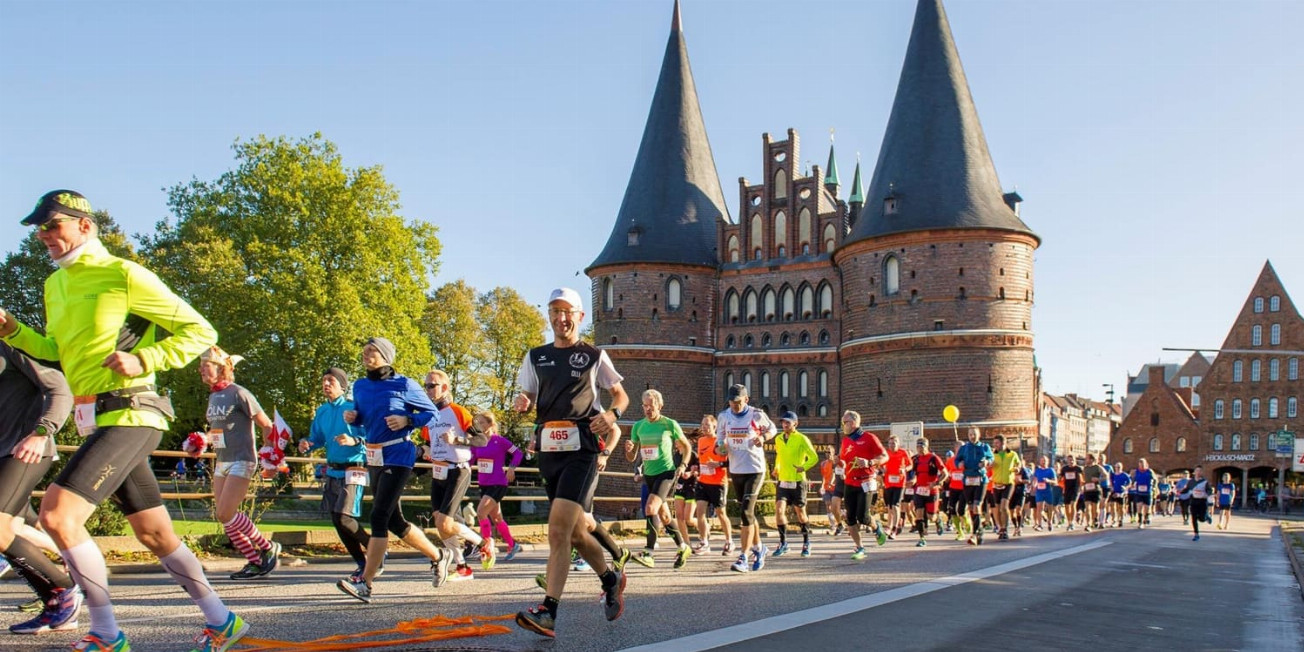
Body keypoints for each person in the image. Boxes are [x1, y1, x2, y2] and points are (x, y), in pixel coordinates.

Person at [0, 189, 246, 651]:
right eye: (40, 228)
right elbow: (59, 353)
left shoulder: (124, 274)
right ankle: (222, 620)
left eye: (53, 225)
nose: (44, 235)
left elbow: (201, 331)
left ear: (85, 226)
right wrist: (13, 330)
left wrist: (146, 358)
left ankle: (107, 633)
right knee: (154, 532)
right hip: (95, 417)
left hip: (133, 410)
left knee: (58, 515)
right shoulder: (55, 285)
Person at [513, 288, 629, 638]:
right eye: (554, 311)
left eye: (567, 312)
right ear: (549, 316)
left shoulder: (593, 355)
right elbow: (529, 395)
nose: (561, 318)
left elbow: (620, 394)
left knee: (558, 530)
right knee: (577, 533)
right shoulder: (536, 356)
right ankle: (611, 578)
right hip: (549, 449)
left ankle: (548, 611)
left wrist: (611, 414)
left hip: (582, 449)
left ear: (579, 317)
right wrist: (522, 400)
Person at [335, 338, 449, 602]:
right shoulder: (360, 386)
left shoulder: (404, 384)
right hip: (374, 455)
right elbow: (366, 419)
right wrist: (355, 418)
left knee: (378, 517)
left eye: (372, 350)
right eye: (364, 351)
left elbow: (432, 413)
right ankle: (439, 556)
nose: (366, 354)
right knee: (395, 521)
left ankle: (366, 582)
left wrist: (407, 419)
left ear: (386, 356)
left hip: (398, 454)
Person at [1, 341, 83, 636]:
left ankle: (65, 590)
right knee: (13, 530)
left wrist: (42, 431)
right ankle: (56, 602)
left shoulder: (11, 344)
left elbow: (59, 388)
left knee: (1, 528)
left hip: (25, 449)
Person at [199, 346, 282, 580]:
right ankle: (254, 562)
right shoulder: (214, 396)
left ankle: (267, 547)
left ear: (221, 368)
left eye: (205, 366)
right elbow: (217, 431)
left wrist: (270, 455)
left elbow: (266, 424)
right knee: (223, 515)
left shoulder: (239, 393)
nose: (200, 370)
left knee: (226, 513)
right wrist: (202, 440)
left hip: (242, 459)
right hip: (222, 460)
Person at [417, 369, 495, 583]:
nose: (428, 389)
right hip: (439, 471)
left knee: (445, 521)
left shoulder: (458, 411)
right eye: (426, 386)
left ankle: (483, 543)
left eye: (432, 385)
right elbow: (427, 444)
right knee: (439, 521)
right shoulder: (429, 416)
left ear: (445, 387)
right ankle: (462, 567)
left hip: (458, 470)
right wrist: (423, 451)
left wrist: (458, 441)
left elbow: (482, 441)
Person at [299, 368, 371, 581]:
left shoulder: (354, 408)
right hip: (332, 469)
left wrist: (354, 441)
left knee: (343, 516)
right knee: (335, 519)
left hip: (354, 468)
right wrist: (308, 443)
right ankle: (362, 563)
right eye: (324, 380)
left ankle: (375, 549)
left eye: (331, 380)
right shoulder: (322, 411)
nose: (326, 384)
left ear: (342, 385)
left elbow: (374, 434)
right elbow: (317, 438)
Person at [624, 389, 692, 569]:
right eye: (645, 406)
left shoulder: (669, 424)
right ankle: (683, 547)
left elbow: (687, 446)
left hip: (666, 473)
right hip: (649, 474)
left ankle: (649, 553)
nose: (648, 409)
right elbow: (632, 458)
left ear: (659, 406)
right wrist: (629, 449)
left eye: (651, 406)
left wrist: (683, 465)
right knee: (664, 515)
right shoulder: (638, 426)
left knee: (650, 508)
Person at [716, 384, 778, 572]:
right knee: (748, 512)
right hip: (736, 469)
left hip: (755, 469)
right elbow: (720, 439)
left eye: (738, 402)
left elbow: (773, 428)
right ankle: (760, 548)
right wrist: (721, 447)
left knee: (745, 511)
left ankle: (743, 557)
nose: (734, 405)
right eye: (731, 402)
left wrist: (764, 437)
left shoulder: (756, 414)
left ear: (746, 400)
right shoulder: (724, 417)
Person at [469, 411, 524, 563]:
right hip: (484, 484)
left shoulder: (499, 441)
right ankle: (513, 545)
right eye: (477, 423)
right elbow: (471, 460)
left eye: (482, 423)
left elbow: (518, 454)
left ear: (490, 424)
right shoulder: (477, 442)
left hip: (498, 483)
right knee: (497, 518)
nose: (478, 426)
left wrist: (511, 468)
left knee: (481, 513)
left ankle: (487, 547)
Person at [838, 411, 889, 560]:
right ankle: (859, 547)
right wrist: (838, 463)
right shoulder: (846, 441)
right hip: (850, 482)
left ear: (853, 423)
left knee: (863, 516)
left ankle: (876, 526)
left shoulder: (869, 438)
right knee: (850, 518)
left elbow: (884, 456)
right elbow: (844, 460)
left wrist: (870, 462)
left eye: (844, 423)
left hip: (866, 481)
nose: (843, 426)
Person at [772, 412, 819, 557]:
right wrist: (776, 468)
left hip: (798, 481)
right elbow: (779, 456)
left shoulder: (802, 439)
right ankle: (783, 543)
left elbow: (814, 457)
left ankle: (806, 542)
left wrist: (803, 467)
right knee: (779, 511)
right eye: (783, 422)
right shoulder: (778, 439)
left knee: (801, 513)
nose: (785, 425)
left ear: (795, 424)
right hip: (783, 481)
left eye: (788, 422)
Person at [692, 415, 732, 555]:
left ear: (715, 427)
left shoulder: (721, 442)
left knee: (721, 513)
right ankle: (704, 542)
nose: (704, 427)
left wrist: (718, 464)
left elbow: (731, 463)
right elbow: (701, 459)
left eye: (707, 425)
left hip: (718, 483)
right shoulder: (701, 440)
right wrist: (695, 467)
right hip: (703, 481)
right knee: (700, 511)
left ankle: (729, 541)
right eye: (703, 424)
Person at [955, 427, 994, 545]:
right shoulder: (964, 448)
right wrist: (959, 464)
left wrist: (987, 462)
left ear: (979, 435)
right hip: (968, 479)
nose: (972, 436)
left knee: (977, 506)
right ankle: (979, 530)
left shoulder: (984, 447)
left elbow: (991, 458)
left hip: (980, 479)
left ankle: (974, 533)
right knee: (971, 508)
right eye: (970, 434)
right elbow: (957, 460)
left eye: (974, 434)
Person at [909, 438, 946, 547]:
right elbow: (913, 474)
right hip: (919, 491)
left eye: (922, 447)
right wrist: (911, 481)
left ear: (927, 446)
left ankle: (938, 520)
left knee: (931, 517)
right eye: (918, 447)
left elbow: (945, 473)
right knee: (919, 515)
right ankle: (922, 538)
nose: (920, 449)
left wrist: (937, 482)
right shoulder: (915, 459)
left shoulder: (934, 458)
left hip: (932, 491)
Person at [988, 435, 1021, 540]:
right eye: (994, 443)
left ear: (1003, 443)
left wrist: (1016, 469)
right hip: (996, 483)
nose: (995, 445)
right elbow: (986, 466)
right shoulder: (992, 455)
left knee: (1004, 506)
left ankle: (1004, 528)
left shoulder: (1012, 454)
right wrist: (989, 465)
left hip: (1008, 483)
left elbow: (1018, 465)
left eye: (997, 443)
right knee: (997, 508)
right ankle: (1000, 527)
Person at [880, 435, 912, 540]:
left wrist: (904, 469)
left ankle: (895, 528)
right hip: (889, 483)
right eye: (890, 443)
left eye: (894, 443)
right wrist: (883, 469)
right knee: (889, 506)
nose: (892, 445)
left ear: (898, 444)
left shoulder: (903, 453)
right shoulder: (886, 453)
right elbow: (879, 463)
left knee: (895, 504)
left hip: (900, 483)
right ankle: (889, 526)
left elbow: (910, 465)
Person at [1181, 466, 1212, 541]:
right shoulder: (1191, 482)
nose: (1198, 472)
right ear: (1194, 472)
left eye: (1200, 471)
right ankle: (1196, 534)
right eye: (1197, 471)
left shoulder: (1204, 481)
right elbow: (1187, 489)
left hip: (1202, 501)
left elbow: (1209, 490)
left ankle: (1206, 517)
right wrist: (1179, 492)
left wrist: (1207, 494)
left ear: (1201, 472)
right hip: (1193, 501)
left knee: (1202, 519)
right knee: (1193, 518)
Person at [1078, 453, 1106, 533]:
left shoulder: (1097, 467)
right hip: (1087, 490)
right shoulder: (1085, 468)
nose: (1085, 460)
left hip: (1096, 490)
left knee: (1095, 509)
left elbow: (1106, 475)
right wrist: (1082, 484)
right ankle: (1088, 524)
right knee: (1087, 508)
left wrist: (1098, 479)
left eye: (1087, 458)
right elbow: (1082, 478)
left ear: (1091, 459)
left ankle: (1095, 519)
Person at [818, 449, 844, 536]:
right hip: (826, 487)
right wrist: (822, 486)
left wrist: (831, 482)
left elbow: (834, 473)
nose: (828, 454)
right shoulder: (823, 463)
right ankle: (833, 525)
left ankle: (842, 519)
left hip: (835, 487)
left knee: (834, 507)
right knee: (827, 504)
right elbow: (824, 476)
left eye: (829, 452)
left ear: (833, 453)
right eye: (826, 452)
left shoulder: (835, 462)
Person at [1033, 456, 1057, 531]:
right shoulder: (1037, 470)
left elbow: (1055, 482)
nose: (1043, 462)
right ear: (1040, 462)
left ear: (1048, 462)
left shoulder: (1051, 470)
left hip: (1048, 491)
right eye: (1042, 460)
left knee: (1050, 508)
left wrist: (1048, 481)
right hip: (1039, 491)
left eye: (1045, 461)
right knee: (1039, 507)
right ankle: (1039, 525)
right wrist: (1034, 485)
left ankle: (1050, 522)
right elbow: (1035, 480)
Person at [1131, 458, 1156, 529]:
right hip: (1138, 492)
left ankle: (1147, 516)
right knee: (1139, 506)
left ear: (1145, 464)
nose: (1141, 465)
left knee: (1147, 508)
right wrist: (1132, 484)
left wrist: (1153, 487)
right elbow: (1133, 480)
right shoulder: (1136, 472)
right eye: (1140, 464)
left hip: (1147, 492)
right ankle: (1140, 522)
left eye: (1142, 464)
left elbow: (1154, 479)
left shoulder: (1149, 471)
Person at [1060, 455, 1082, 531]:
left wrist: (1081, 487)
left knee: (1073, 504)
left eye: (1072, 460)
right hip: (1067, 489)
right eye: (1069, 460)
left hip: (1075, 489)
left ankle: (1072, 522)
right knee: (1067, 506)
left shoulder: (1078, 469)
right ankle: (1069, 522)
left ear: (1075, 460)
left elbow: (1082, 478)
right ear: (1067, 460)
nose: (1071, 461)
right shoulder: (1064, 469)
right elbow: (1061, 478)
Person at [1109, 462, 1131, 529]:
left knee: (1120, 507)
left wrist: (1126, 487)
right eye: (1116, 467)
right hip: (1114, 491)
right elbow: (1110, 481)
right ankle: (1114, 520)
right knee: (1112, 505)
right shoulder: (1113, 475)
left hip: (1121, 492)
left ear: (1121, 468)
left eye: (1119, 467)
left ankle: (1120, 519)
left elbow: (1130, 483)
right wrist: (1111, 486)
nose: (1117, 468)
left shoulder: (1124, 475)